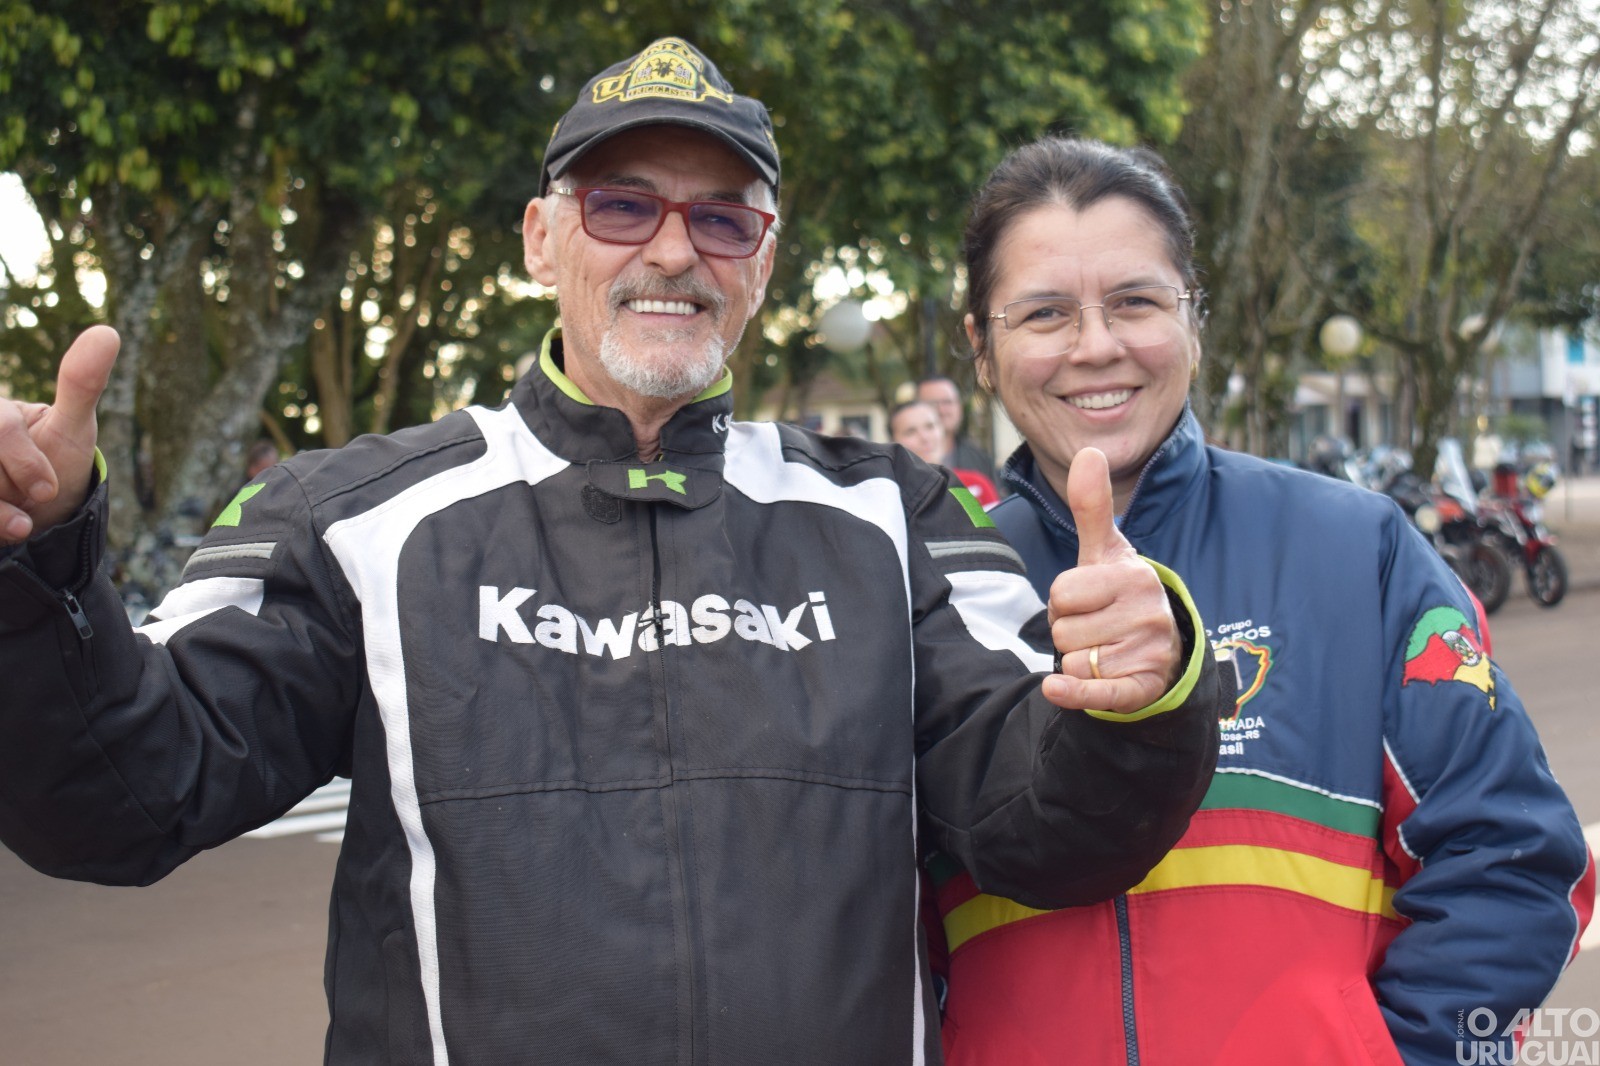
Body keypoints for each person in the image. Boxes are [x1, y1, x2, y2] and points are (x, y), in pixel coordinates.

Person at [0, 42, 1231, 1064]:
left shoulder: (895, 515)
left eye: (722, 217)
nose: (673, 249)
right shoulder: (347, 515)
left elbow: (1049, 829)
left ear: (765, 258)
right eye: (622, 204)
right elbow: (125, 800)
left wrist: (1136, 696)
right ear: (543, 240)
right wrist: (38, 563)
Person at [931, 135, 1594, 1065]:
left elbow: (1517, 863)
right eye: (1043, 314)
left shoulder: (1356, 548)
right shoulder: (937, 589)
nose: (1097, 347)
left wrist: (1398, 1054)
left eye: (1136, 302)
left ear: (1193, 321)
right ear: (982, 348)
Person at [890, 399, 1000, 507]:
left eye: (930, 426)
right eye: (910, 431)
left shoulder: (974, 485)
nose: (924, 437)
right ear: (892, 443)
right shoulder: (888, 496)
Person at [918, 375, 998, 483]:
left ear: (959, 407)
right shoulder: (904, 460)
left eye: (947, 402)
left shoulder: (980, 460)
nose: (941, 410)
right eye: (932, 403)